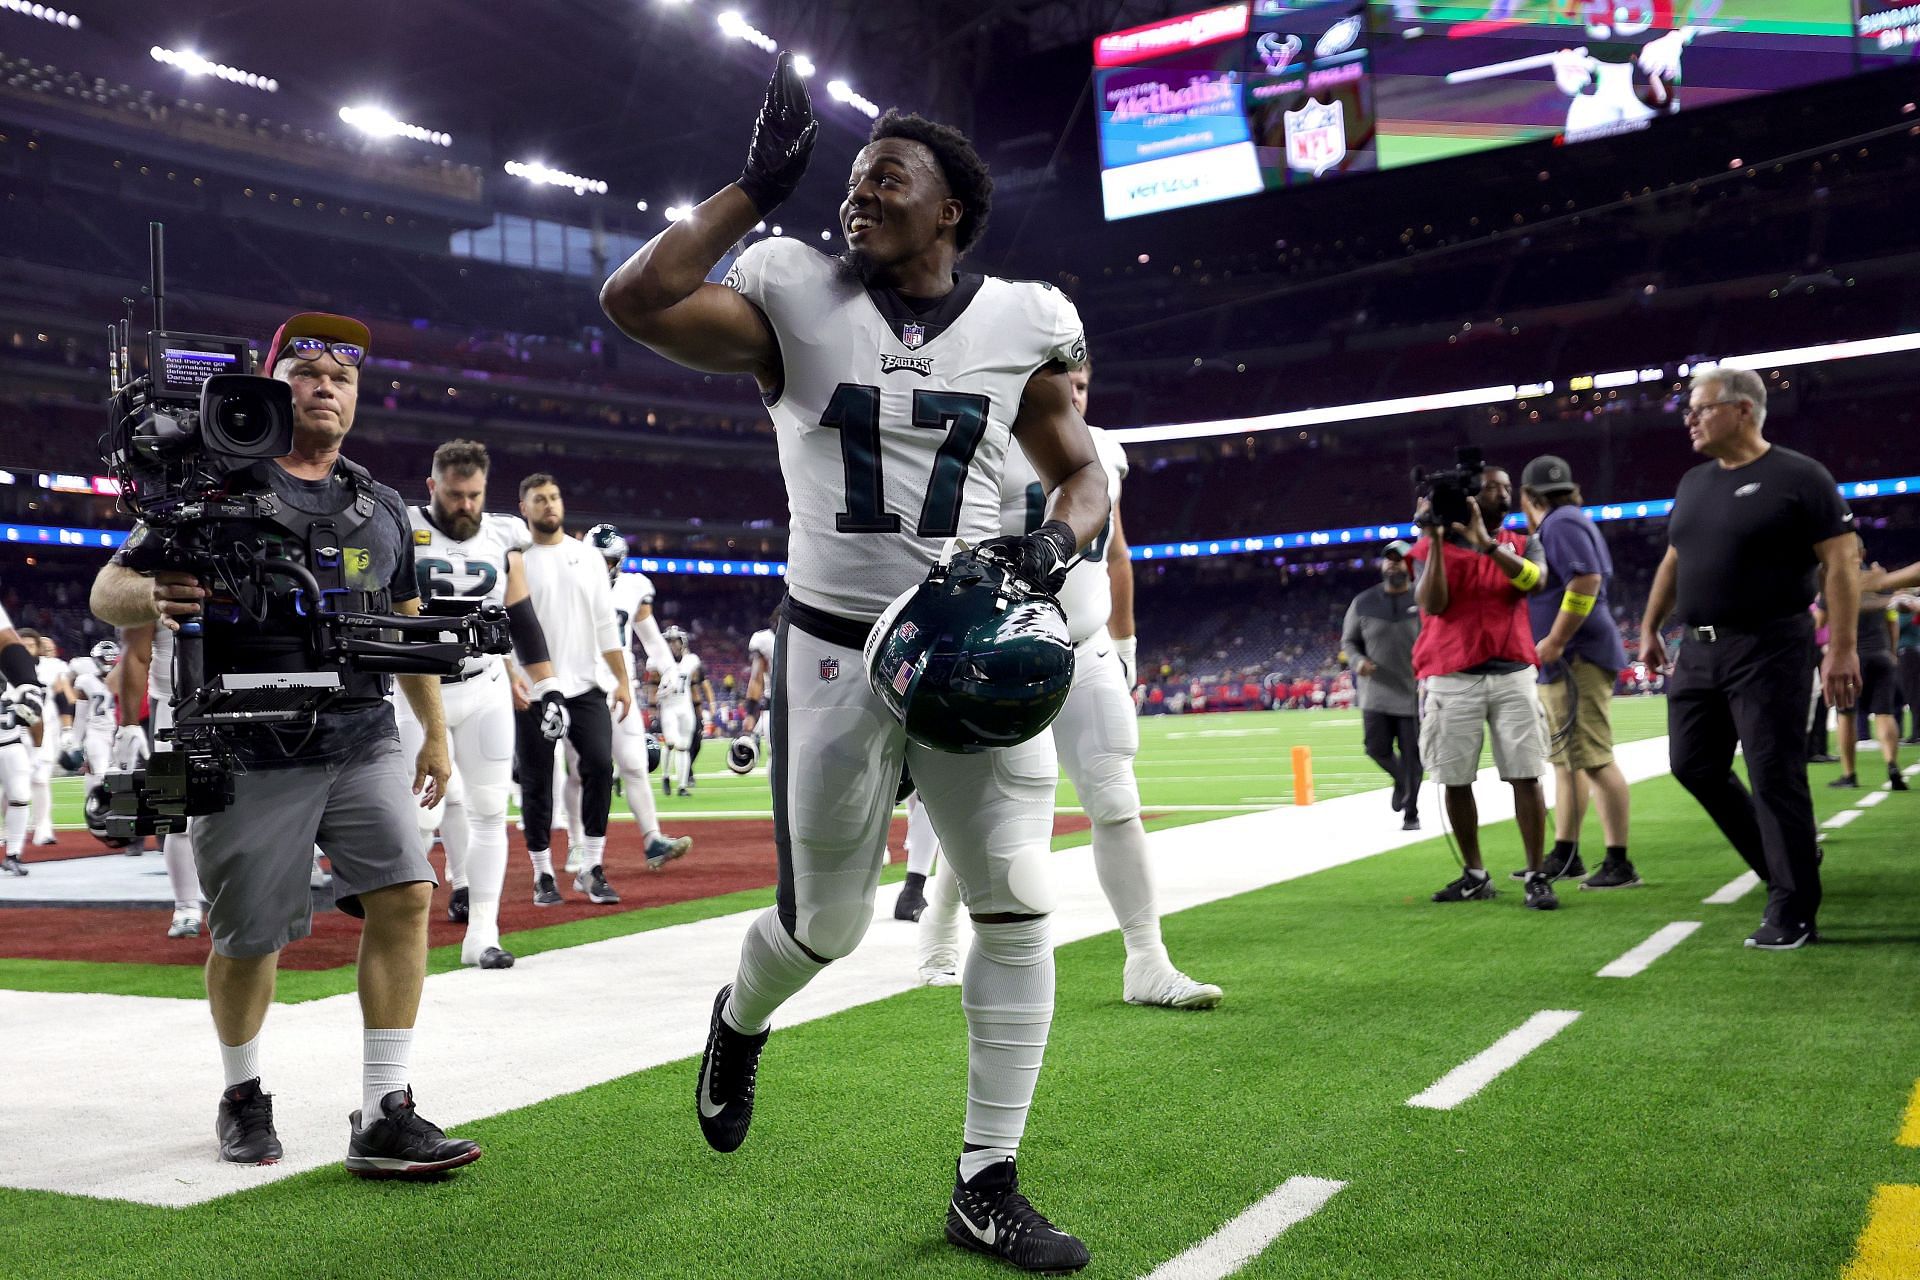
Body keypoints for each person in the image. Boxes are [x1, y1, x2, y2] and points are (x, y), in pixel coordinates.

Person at [599, 54, 1105, 1273]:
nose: (859, 195)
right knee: (826, 924)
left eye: (889, 178)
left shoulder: (1019, 320)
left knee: (1018, 904)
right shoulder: (790, 289)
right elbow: (636, 298)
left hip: (975, 642)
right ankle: (740, 1017)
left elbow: (1082, 472)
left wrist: (1047, 547)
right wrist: (749, 188)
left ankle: (988, 1180)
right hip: (834, 652)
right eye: (855, 177)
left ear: (954, 213)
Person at [88, 311, 479, 1175]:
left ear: (357, 399)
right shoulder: (210, 487)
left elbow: (404, 620)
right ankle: (241, 1090)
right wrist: (157, 597)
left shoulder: (379, 505)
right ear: (273, 385)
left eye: (342, 377)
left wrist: (435, 735)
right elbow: (108, 587)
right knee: (249, 940)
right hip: (246, 742)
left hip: (363, 734)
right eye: (307, 371)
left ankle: (384, 1109)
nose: (326, 387)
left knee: (407, 894)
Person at [916, 357, 1221, 1008]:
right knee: (986, 812)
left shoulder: (1105, 451)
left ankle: (1147, 959)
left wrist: (1128, 640)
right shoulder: (980, 441)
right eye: (1062, 384)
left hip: (1087, 648)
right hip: (1008, 657)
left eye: (1082, 384)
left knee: (1116, 799)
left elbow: (1114, 552)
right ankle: (938, 935)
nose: (1074, 395)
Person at [1640, 368, 1858, 950]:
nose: (1689, 418)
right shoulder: (1692, 482)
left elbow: (1841, 564)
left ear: (1743, 410)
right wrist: (1649, 625)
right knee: (1693, 765)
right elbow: (1674, 559)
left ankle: (1793, 909)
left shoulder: (1800, 476)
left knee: (1773, 774)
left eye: (1701, 408)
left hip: (1771, 646)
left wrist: (1841, 648)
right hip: (1699, 647)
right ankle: (1783, 863)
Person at [404, 439, 573, 968]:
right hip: (414, 689)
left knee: (489, 812)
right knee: (416, 817)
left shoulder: (504, 535)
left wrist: (549, 687)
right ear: (432, 487)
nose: (466, 506)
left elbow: (522, 618)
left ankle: (483, 933)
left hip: (483, 687)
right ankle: (401, 930)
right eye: (455, 495)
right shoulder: (401, 526)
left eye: (474, 495)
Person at [1408, 464, 1558, 910]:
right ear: (1472, 495)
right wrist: (1434, 537)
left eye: (1507, 487)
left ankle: (1535, 874)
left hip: (1511, 672)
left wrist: (1487, 545)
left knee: (1526, 774)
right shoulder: (1429, 547)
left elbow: (1536, 580)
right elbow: (1433, 604)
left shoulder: (1520, 541)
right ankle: (1475, 874)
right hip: (1454, 675)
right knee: (1455, 778)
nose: (1503, 495)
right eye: (1493, 488)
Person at [1517, 455, 1640, 889]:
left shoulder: (1560, 523)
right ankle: (1566, 854)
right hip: (1573, 658)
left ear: (1528, 497)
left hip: (1577, 658)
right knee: (1568, 762)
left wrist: (1556, 638)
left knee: (1594, 760)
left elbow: (1585, 580)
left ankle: (1620, 862)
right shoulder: (1568, 518)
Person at [514, 474, 630, 907]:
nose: (549, 504)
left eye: (555, 497)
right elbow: (505, 627)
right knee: (537, 782)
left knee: (600, 766)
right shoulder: (516, 559)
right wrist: (512, 678)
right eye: (539, 499)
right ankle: (543, 872)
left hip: (585, 685)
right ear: (524, 507)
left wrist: (621, 680)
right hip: (534, 688)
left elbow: (605, 625)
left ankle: (592, 866)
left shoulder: (588, 557)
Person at [565, 525, 691, 871]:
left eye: (607, 560)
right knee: (580, 772)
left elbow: (650, 638)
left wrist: (669, 669)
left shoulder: (632, 587)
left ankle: (652, 840)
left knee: (635, 765)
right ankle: (576, 845)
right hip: (581, 688)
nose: (601, 566)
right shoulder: (569, 583)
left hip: (622, 687)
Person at [115, 623, 207, 935]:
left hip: (239, 701)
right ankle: (186, 906)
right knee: (174, 812)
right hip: (172, 707)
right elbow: (136, 654)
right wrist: (128, 723)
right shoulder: (149, 584)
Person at [1342, 540, 1423, 831]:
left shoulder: (1423, 599)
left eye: (1399, 559)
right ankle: (1402, 782)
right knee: (1375, 748)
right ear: (1382, 565)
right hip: (1375, 693)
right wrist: (1357, 660)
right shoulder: (1363, 601)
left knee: (1413, 755)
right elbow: (1349, 641)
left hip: (1413, 693)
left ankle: (1411, 813)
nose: (1393, 564)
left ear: (1410, 565)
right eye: (1388, 559)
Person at [1825, 538, 1906, 791]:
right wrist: (1891, 652)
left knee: (1846, 716)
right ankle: (1892, 766)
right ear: (1863, 553)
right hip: (1881, 655)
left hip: (1851, 658)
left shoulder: (1836, 580)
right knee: (1884, 713)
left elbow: (1822, 620)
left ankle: (1849, 774)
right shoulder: (1881, 583)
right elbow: (1892, 620)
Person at [650, 625, 712, 798]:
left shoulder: (690, 660)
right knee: (670, 743)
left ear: (682, 642)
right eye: (669, 642)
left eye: (676, 641)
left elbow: (695, 685)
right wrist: (653, 710)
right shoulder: (657, 662)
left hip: (685, 707)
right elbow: (652, 687)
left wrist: (700, 711)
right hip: (669, 708)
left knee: (684, 747)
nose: (673, 646)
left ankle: (682, 785)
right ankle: (666, 776)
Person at [19, 631, 65, 846]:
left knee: (40, 779)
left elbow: (63, 695)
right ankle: (11, 827)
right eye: (23, 645)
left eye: (31, 644)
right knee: (13, 783)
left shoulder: (51, 666)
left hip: (46, 728)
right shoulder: (8, 666)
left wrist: (68, 728)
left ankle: (43, 827)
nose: (28, 649)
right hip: (16, 729)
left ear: (38, 646)